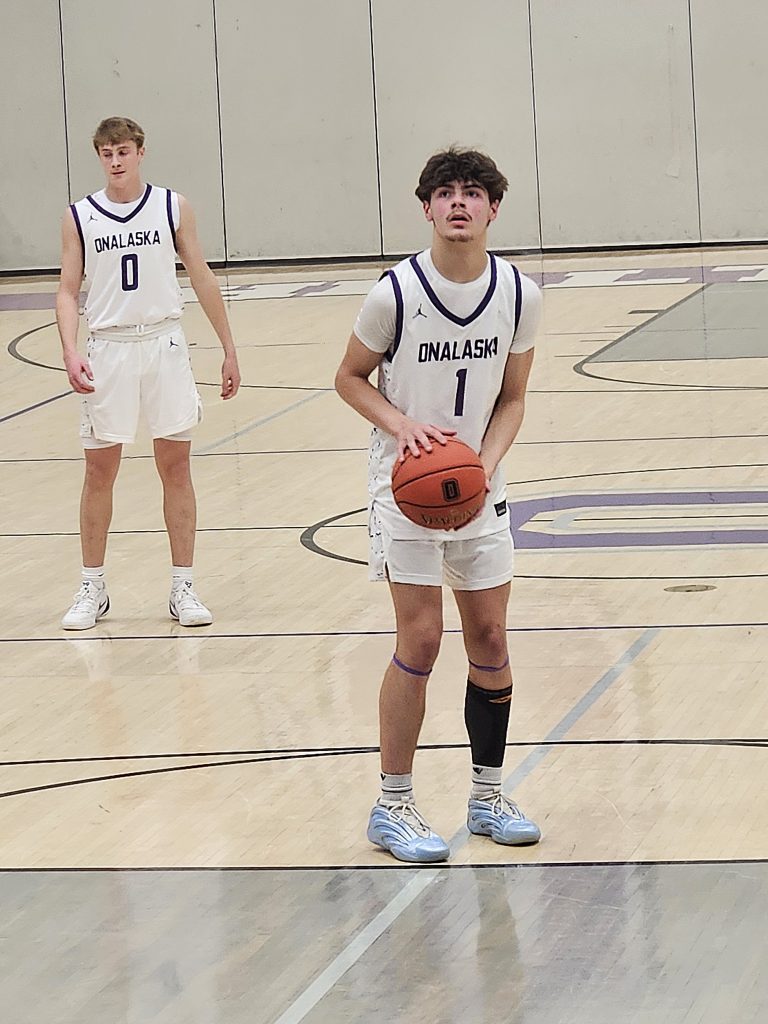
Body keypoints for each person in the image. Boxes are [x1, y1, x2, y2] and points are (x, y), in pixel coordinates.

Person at [335, 146, 542, 863]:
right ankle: (392, 805)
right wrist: (401, 426)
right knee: (420, 640)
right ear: (426, 208)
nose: (460, 202)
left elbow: (513, 398)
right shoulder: (395, 293)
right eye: (446, 192)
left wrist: (483, 467)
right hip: (405, 488)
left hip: (478, 483)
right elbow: (349, 377)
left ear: (493, 208)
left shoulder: (519, 293)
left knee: (490, 639)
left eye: (473, 192)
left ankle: (488, 797)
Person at [56, 116, 240, 630]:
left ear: (140, 152)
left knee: (176, 467)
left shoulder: (171, 206)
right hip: (108, 347)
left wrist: (228, 348)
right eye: (107, 153)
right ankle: (92, 586)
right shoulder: (79, 216)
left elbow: (201, 276)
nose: (116, 161)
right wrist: (69, 350)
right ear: (99, 157)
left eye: (123, 151)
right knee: (99, 471)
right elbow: (68, 290)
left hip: (164, 344)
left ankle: (184, 585)